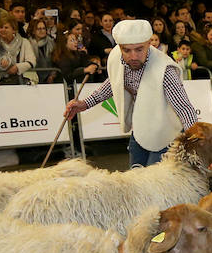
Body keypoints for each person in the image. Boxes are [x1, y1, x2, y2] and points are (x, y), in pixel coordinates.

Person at [63, 19, 198, 168]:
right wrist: (84, 104)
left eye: (139, 49)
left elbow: (184, 108)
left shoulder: (165, 70)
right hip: (140, 129)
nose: (133, 56)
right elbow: (113, 83)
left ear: (149, 44)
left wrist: (197, 143)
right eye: (127, 50)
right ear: (119, 47)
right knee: (136, 179)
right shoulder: (117, 58)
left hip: (166, 133)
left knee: (157, 185)